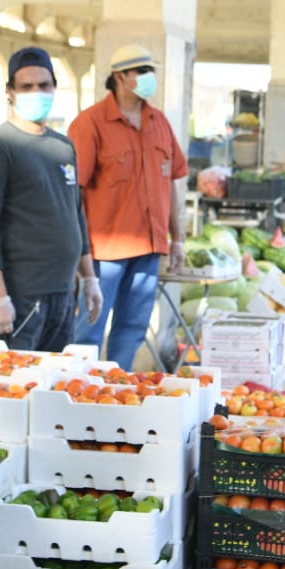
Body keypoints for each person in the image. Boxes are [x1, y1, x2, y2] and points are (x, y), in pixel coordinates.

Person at [0, 47, 104, 353]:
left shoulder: (63, 147)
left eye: (43, 85)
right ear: (10, 91)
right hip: (21, 296)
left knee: (56, 378)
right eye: (26, 86)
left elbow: (75, 213)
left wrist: (89, 278)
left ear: (54, 87)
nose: (36, 92)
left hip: (63, 292)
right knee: (16, 378)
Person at [69, 44, 189, 369]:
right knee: (90, 327)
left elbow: (170, 182)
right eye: (142, 71)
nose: (149, 77)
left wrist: (177, 238)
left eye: (151, 71)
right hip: (104, 252)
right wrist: (80, 252)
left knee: (133, 329)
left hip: (149, 248)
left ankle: (116, 386)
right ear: (120, 76)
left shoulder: (159, 122)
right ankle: (79, 385)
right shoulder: (90, 123)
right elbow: (73, 192)